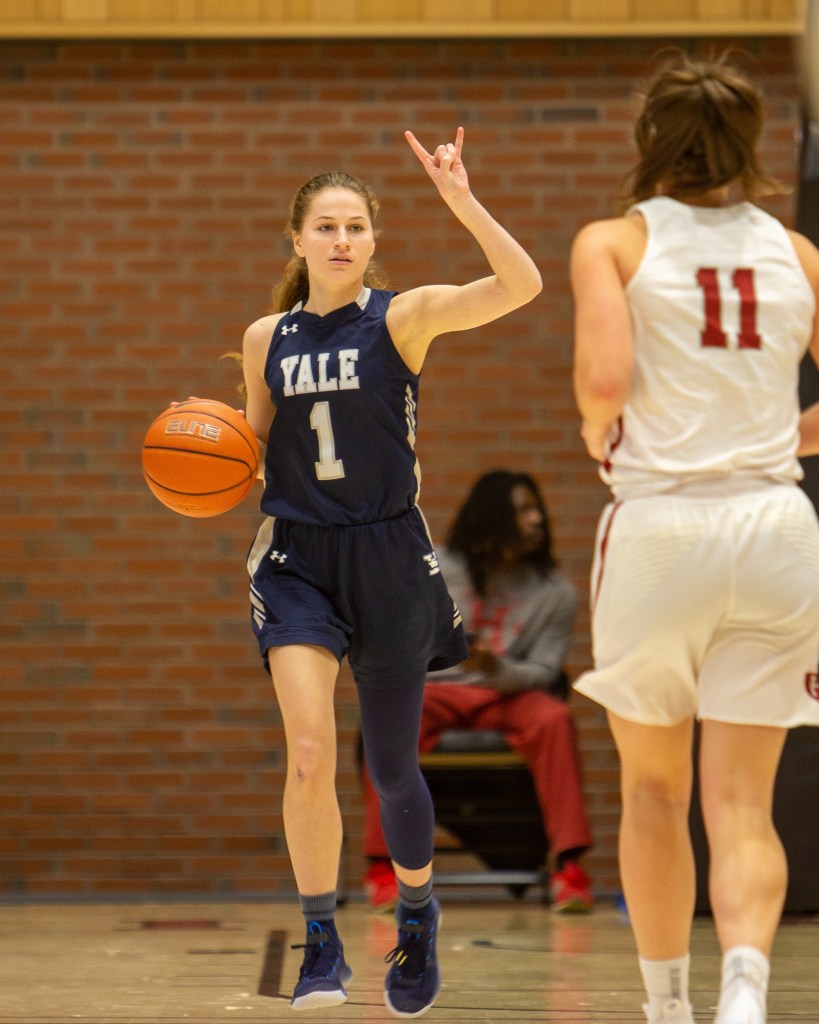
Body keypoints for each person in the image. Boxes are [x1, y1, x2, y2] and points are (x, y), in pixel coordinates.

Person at [239, 128, 541, 1016]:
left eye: (355, 227)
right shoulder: (265, 337)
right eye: (324, 227)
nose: (340, 241)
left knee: (392, 766)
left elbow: (520, 286)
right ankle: (321, 943)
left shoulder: (402, 318)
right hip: (296, 556)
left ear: (373, 241)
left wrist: (461, 202)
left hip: (388, 555)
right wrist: (202, 448)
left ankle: (415, 913)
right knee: (306, 749)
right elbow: (251, 452)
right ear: (296, 240)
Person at [570, 51, 819, 1024]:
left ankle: (669, 1007)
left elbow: (601, 385)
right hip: (774, 528)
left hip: (662, 528)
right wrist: (800, 430)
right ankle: (747, 988)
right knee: (743, 802)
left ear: (649, 142)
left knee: (655, 791)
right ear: (749, 145)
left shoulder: (616, 242)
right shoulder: (798, 253)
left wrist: (600, 436)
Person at [360, 469, 594, 914]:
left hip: (504, 694)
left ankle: (569, 870)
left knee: (554, 719)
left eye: (536, 509)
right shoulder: (434, 567)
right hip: (436, 690)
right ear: (492, 517)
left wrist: (495, 666)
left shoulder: (555, 592)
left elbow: (545, 672)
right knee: (388, 717)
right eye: (523, 510)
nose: (537, 520)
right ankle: (382, 869)